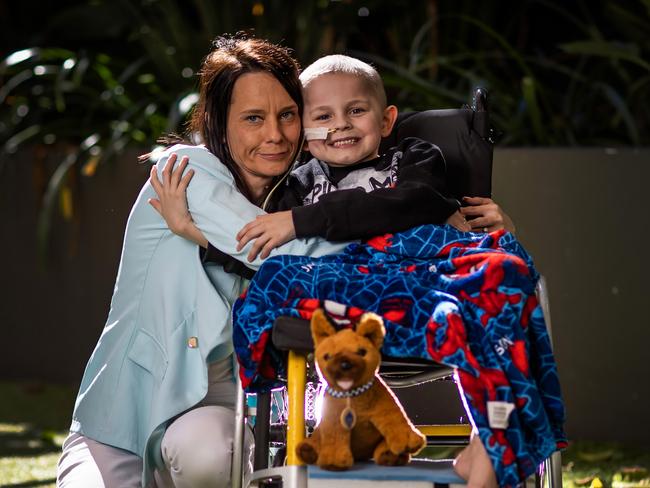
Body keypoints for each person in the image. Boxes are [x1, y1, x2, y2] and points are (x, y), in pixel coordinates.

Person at [150, 57, 547, 488]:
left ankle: (488, 442)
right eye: (322, 116)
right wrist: (195, 234)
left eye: (356, 111)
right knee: (280, 273)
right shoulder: (296, 188)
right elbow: (263, 258)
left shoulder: (413, 160)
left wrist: (302, 222)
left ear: (387, 119)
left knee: (503, 274)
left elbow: (413, 204)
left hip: (415, 289)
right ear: (304, 132)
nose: (340, 125)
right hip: (337, 303)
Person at [56, 35, 349, 488]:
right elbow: (283, 252)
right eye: (254, 118)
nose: (275, 134)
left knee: (212, 453)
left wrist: (453, 213)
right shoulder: (186, 171)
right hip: (122, 427)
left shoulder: (302, 196)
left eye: (287, 115)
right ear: (218, 122)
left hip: (215, 420)